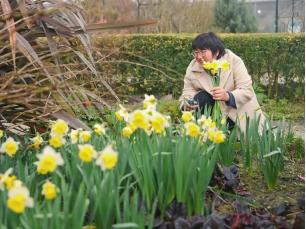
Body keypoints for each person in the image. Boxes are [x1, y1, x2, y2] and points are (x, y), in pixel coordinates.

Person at [179, 32, 265, 132]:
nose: (198, 56)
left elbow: (247, 91)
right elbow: (187, 92)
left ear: (217, 52)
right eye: (196, 52)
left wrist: (228, 96)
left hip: (236, 114)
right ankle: (204, 134)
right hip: (211, 115)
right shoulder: (193, 66)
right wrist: (187, 104)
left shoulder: (234, 61)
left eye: (203, 52)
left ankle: (235, 134)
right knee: (202, 97)